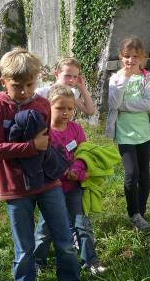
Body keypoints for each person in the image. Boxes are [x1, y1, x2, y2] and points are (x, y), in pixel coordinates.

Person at [0, 47, 80, 281]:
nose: (25, 91)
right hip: (15, 188)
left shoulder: (41, 104)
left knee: (65, 243)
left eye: (29, 84)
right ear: (4, 81)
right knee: (25, 250)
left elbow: (46, 142)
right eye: (17, 86)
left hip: (48, 183)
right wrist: (30, 146)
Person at [35, 85, 107, 274]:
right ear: (48, 107)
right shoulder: (44, 132)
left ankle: (90, 261)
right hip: (51, 189)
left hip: (75, 187)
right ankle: (38, 261)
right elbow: (42, 162)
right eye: (60, 108)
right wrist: (65, 172)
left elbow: (84, 154)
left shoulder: (76, 129)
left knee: (82, 225)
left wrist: (77, 168)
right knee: (45, 230)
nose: (66, 113)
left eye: (70, 108)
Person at [105, 36, 150, 231]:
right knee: (132, 173)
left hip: (144, 132)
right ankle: (133, 212)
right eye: (127, 56)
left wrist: (124, 106)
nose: (131, 60)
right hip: (124, 133)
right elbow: (113, 104)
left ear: (142, 57)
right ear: (121, 57)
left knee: (144, 174)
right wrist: (126, 78)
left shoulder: (148, 77)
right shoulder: (116, 78)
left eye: (135, 57)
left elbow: (147, 103)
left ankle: (141, 212)